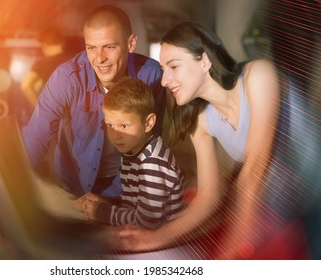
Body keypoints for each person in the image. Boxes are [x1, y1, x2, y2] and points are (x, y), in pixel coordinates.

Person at [113, 21, 303, 259]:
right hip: (286, 208)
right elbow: (207, 198)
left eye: (173, 66)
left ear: (204, 61)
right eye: (163, 69)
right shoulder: (200, 120)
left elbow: (255, 168)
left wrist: (235, 240)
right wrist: (155, 238)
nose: (164, 80)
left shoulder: (258, 75)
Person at [22, 5, 166, 198]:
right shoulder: (67, 79)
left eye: (109, 47)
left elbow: (150, 143)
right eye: (91, 48)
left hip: (127, 184)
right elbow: (36, 136)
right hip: (73, 185)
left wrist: (110, 195)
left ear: (131, 43)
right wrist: (12, 191)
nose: (99, 59)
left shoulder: (152, 76)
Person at [75, 77, 185, 229]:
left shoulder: (152, 162)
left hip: (163, 238)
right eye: (110, 125)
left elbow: (146, 222)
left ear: (148, 123)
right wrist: (105, 201)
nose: (115, 135)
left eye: (124, 125)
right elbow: (133, 200)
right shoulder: (132, 149)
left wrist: (101, 212)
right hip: (141, 231)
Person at [21, 27, 69, 107]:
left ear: (45, 44)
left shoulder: (42, 63)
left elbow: (25, 85)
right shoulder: (75, 60)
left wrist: (40, 110)